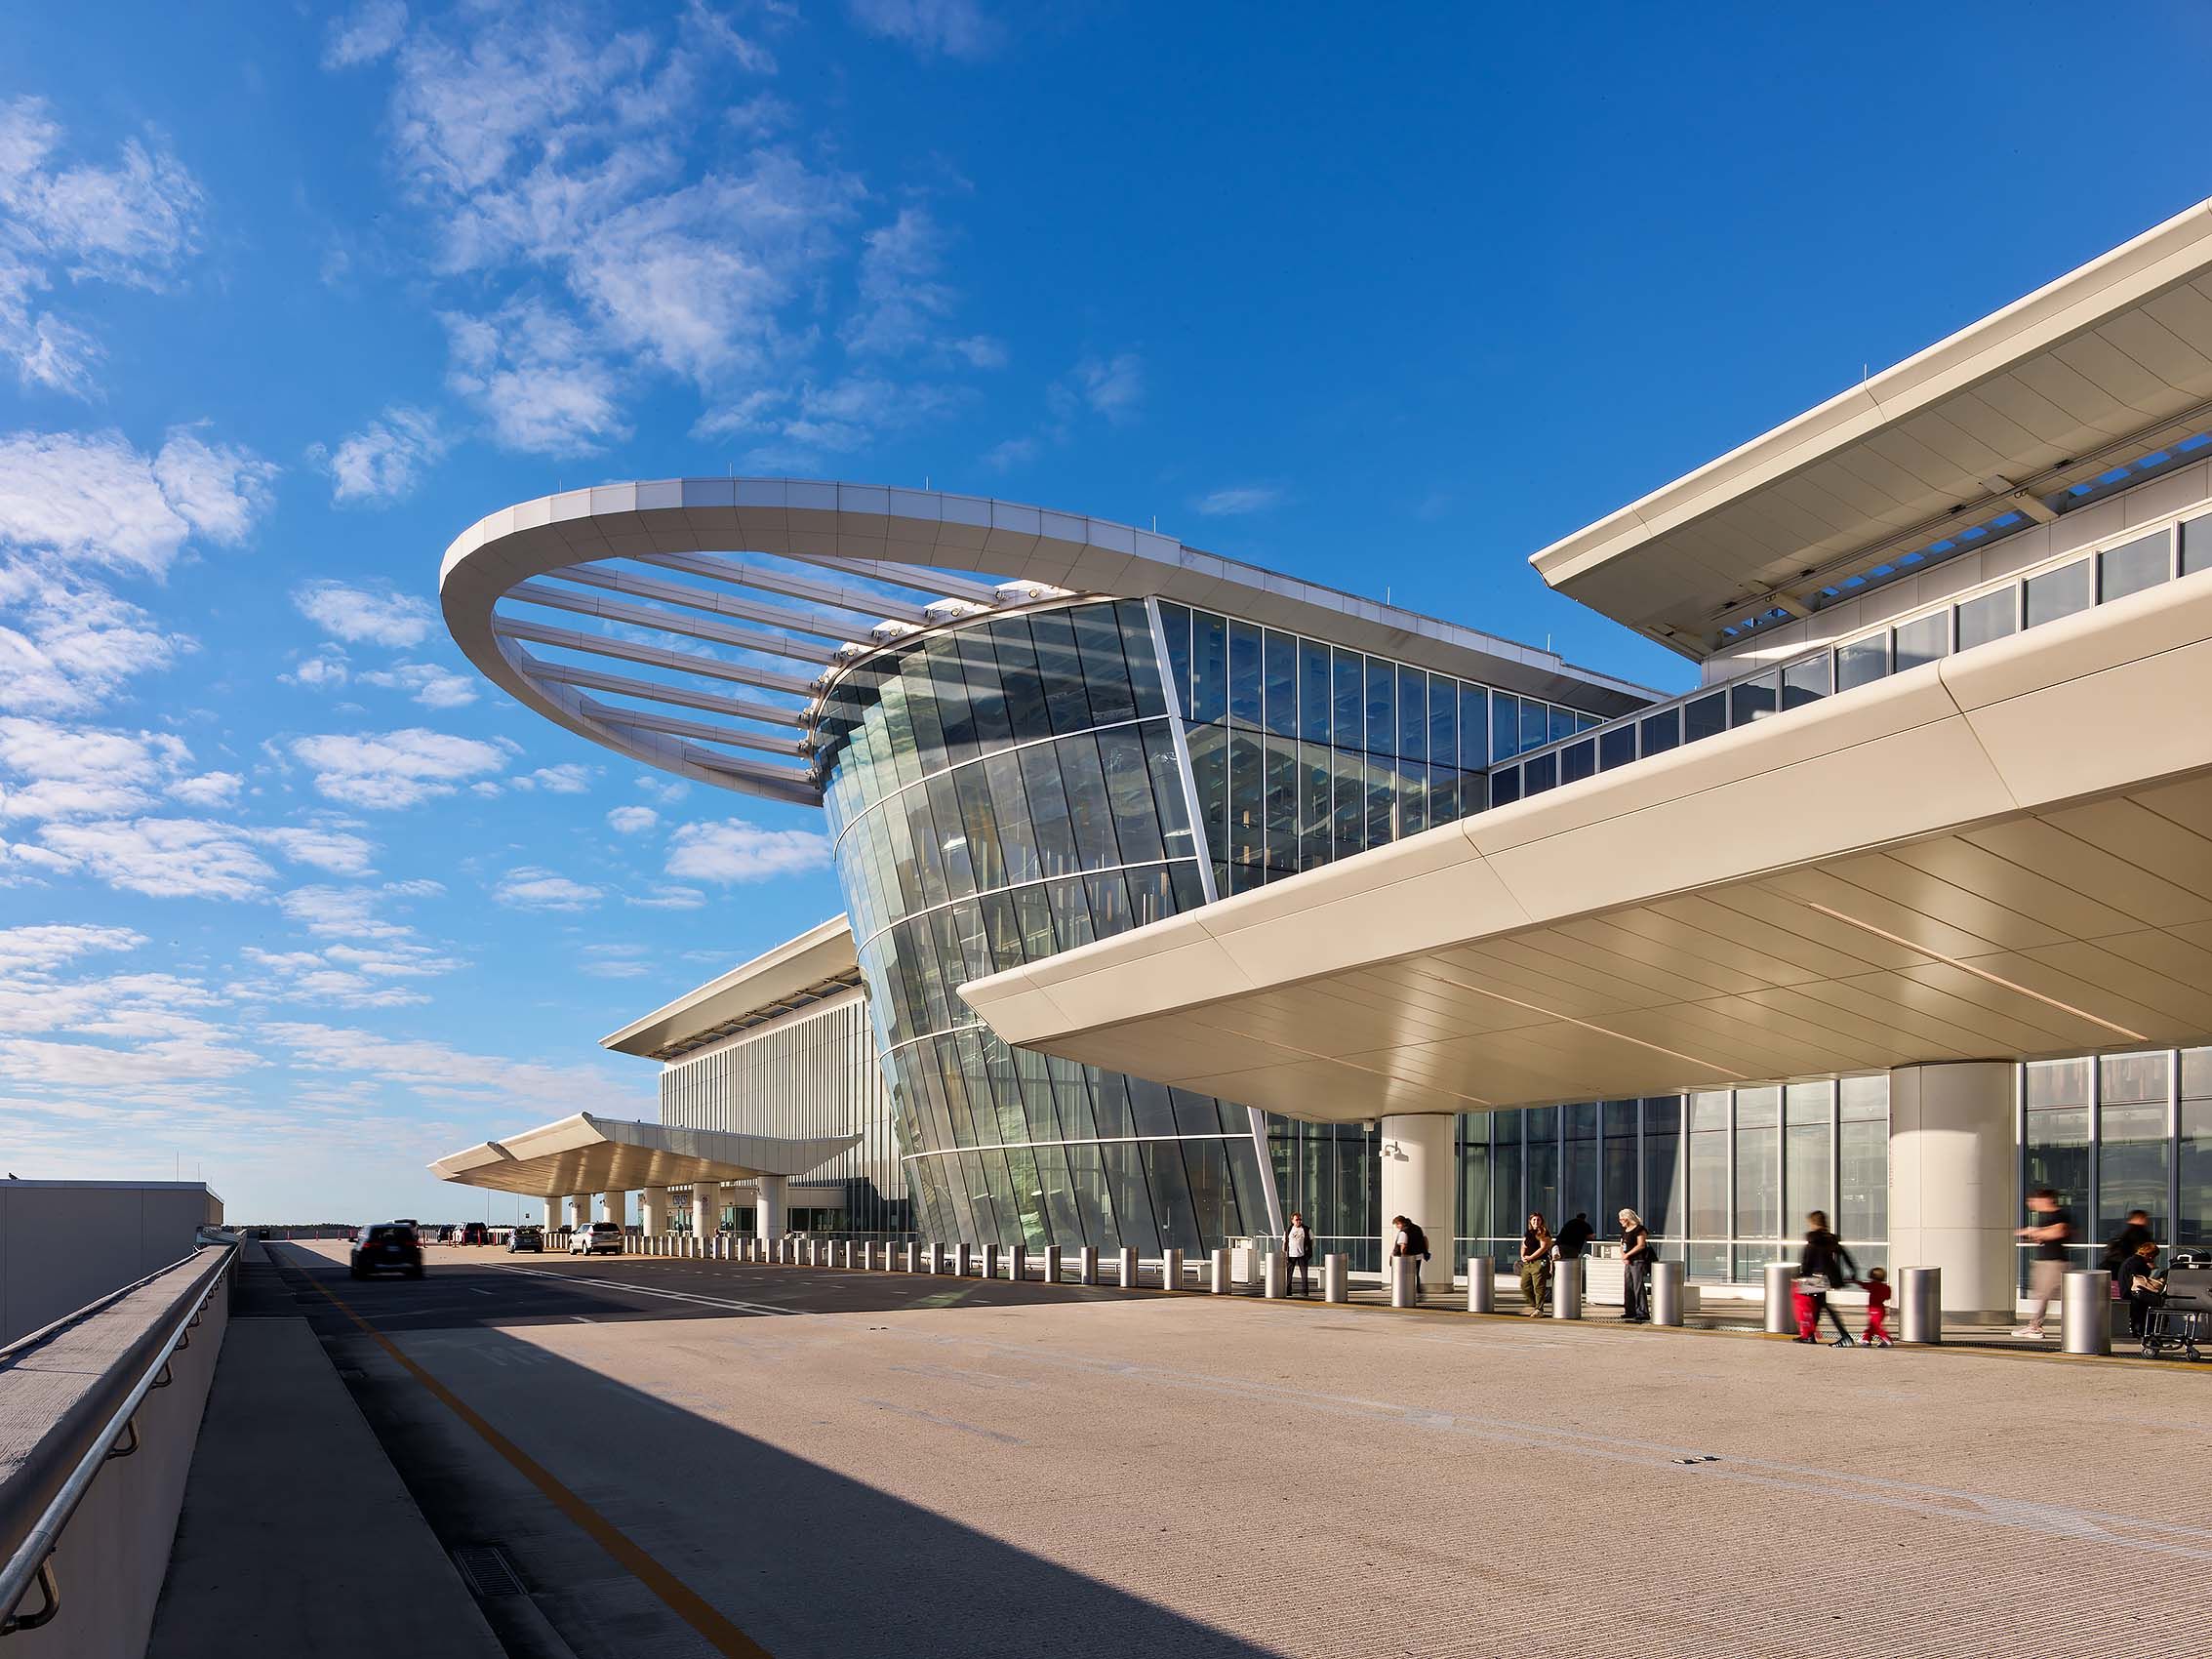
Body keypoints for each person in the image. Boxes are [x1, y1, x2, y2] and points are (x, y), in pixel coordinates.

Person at [1791, 1210, 1859, 1346]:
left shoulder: (1812, 1241)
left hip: (1815, 1279)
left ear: (1812, 1223)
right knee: (1819, 1305)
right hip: (1828, 1278)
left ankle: (1845, 1336)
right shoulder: (1830, 1239)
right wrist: (1852, 1270)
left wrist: (1799, 1276)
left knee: (1825, 1307)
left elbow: (1807, 1263)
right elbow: (1845, 1255)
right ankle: (1810, 1336)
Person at [2014, 1188, 2072, 1340]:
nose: (2030, 1204)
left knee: (2045, 1295)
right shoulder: (2046, 1217)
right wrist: (2037, 1233)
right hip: (2046, 1261)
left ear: (2045, 1199)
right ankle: (2035, 1325)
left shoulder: (2059, 1215)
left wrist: (2034, 1232)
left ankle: (2035, 1327)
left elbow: (2059, 1232)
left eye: (2033, 1201)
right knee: (2042, 1294)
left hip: (2054, 1262)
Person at [2116, 1238, 2165, 1341]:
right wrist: (2151, 1269)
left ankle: (2141, 1330)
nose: (2153, 1259)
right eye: (2153, 1256)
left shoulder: (2131, 1260)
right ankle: (2148, 1331)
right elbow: (2141, 1280)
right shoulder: (2138, 1262)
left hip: (2127, 1291)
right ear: (2150, 1255)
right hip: (2133, 1293)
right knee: (2159, 1303)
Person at [2102, 1209, 2154, 1288]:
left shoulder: (2126, 1232)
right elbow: (2142, 1249)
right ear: (2139, 1218)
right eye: (2144, 1218)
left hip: (2116, 1265)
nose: (2147, 1220)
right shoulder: (2139, 1232)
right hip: (2127, 1266)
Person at [1617, 1208, 1652, 1322]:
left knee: (1638, 1286)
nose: (1620, 1222)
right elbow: (1621, 1245)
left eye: (1622, 1219)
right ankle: (1630, 1310)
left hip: (1638, 1260)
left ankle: (1642, 1311)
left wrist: (1628, 1255)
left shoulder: (1639, 1229)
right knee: (1628, 1286)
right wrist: (1623, 1256)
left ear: (1628, 1219)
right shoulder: (1625, 1231)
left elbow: (1641, 1245)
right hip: (1628, 1261)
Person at [1518, 1212, 1553, 1316]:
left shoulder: (1544, 1232)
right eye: (1534, 1220)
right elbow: (1524, 1245)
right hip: (1528, 1263)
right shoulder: (1528, 1232)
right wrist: (1523, 1256)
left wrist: (1531, 1257)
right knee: (1525, 1286)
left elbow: (1543, 1248)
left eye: (1538, 1220)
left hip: (1539, 1262)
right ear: (1530, 1221)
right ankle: (1535, 1305)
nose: (1536, 1222)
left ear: (1541, 1221)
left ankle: (1539, 1309)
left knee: (1539, 1287)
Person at [1389, 1214, 1431, 1299]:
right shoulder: (1417, 1228)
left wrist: (1402, 1256)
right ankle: (1418, 1291)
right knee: (1416, 1274)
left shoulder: (1404, 1232)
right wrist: (1425, 1251)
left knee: (1405, 1275)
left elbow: (1403, 1246)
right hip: (1419, 1255)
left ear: (1400, 1223)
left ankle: (1407, 1293)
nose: (1397, 1227)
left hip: (1407, 1257)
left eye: (1397, 1225)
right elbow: (1425, 1240)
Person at [1861, 1266, 1893, 1347]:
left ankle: (1886, 1339)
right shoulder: (1885, 1287)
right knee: (1872, 1325)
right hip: (1881, 1309)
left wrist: (1855, 1281)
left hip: (1874, 1309)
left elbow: (1864, 1285)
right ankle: (1866, 1339)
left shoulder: (1873, 1285)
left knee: (1876, 1326)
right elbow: (1887, 1296)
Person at [1284, 1210, 1313, 1297]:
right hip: (1291, 1255)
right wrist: (1284, 1253)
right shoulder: (1289, 1230)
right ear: (1292, 1220)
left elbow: (1311, 1240)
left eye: (1300, 1219)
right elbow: (1285, 1242)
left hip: (1302, 1255)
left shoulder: (1306, 1229)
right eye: (1297, 1219)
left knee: (1304, 1274)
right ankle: (1288, 1291)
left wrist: (1308, 1251)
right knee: (1289, 1274)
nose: (1299, 1221)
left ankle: (1305, 1291)